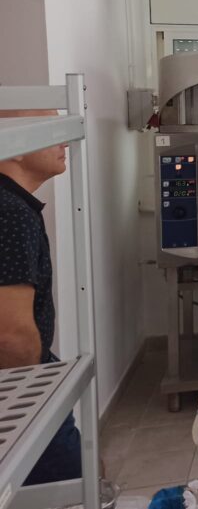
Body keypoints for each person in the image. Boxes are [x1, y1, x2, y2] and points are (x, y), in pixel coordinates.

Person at [0, 109, 82, 485]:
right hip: (22, 388)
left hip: (25, 378)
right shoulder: (10, 213)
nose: (64, 140)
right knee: (70, 488)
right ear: (14, 146)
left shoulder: (14, 206)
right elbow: (10, 335)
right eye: (51, 129)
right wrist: (36, 398)